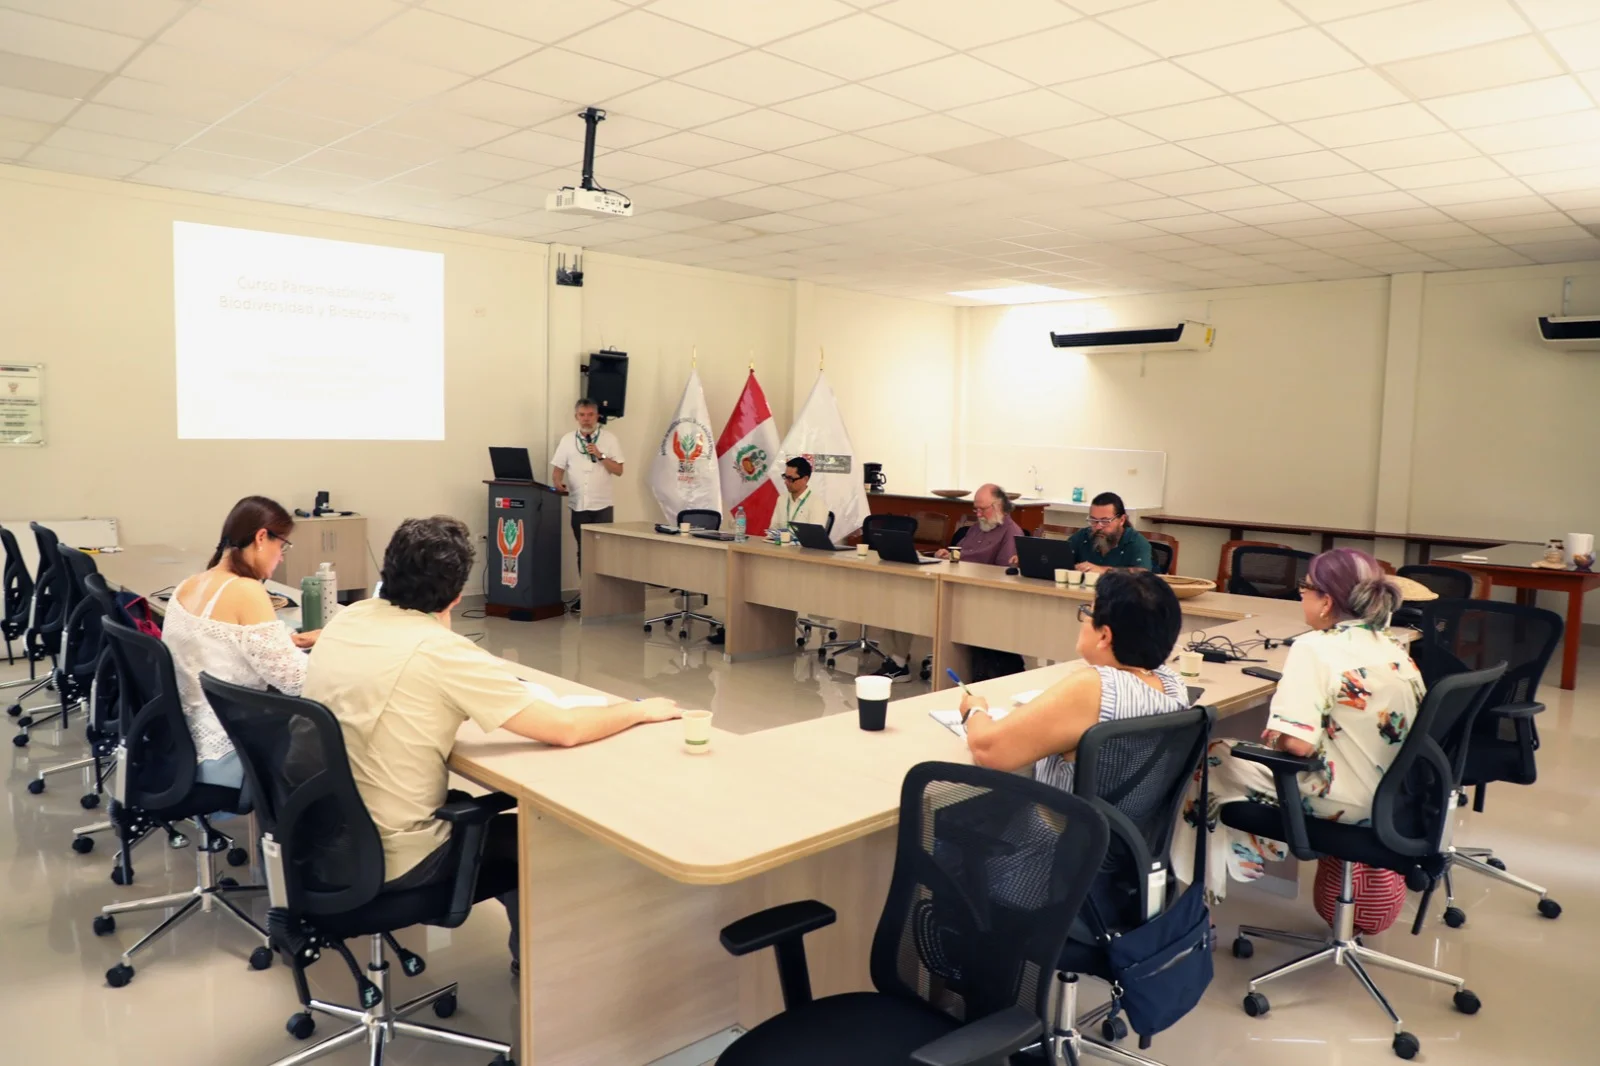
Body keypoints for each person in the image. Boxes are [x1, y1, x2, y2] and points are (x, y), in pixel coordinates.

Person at [303, 516, 681, 970]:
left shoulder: (350, 618)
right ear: (457, 594)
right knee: (542, 843)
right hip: (392, 858)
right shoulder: (439, 650)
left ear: (389, 570)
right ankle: (540, 974)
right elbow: (564, 729)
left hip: (323, 840)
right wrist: (638, 710)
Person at [1172, 548, 1421, 900]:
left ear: (1326, 601)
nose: (1300, 595)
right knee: (1233, 760)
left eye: (1305, 588)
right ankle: (1236, 865)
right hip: (1395, 797)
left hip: (1344, 801)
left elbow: (1297, 746)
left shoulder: (1315, 648)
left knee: (1213, 757)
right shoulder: (1392, 645)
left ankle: (1198, 898)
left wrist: (1277, 734)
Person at [959, 569, 1188, 790]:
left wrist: (974, 710)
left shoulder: (1095, 686)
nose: (1084, 618)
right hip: (1124, 817)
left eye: (1088, 611)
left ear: (1104, 635)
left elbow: (989, 752)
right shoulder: (1173, 684)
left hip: (1059, 817)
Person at [161, 496, 317, 787]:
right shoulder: (246, 590)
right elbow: (295, 681)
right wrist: (336, 649)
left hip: (181, 742)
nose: (281, 557)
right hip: (227, 751)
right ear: (261, 538)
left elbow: (218, 647)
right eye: (282, 546)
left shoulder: (189, 584)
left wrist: (284, 642)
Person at [550, 398, 625, 582]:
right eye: (582, 415)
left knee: (603, 551)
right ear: (576, 417)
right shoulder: (568, 440)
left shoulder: (609, 439)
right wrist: (558, 482)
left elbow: (619, 470)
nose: (586, 419)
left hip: (602, 505)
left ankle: (603, 592)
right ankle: (586, 592)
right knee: (583, 551)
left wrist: (601, 455)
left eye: (590, 415)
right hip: (578, 505)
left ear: (597, 416)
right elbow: (558, 470)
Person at [935, 483, 1022, 566]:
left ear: (999, 506)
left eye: (982, 509)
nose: (978, 514)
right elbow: (959, 553)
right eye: (976, 509)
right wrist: (946, 555)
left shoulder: (1011, 532)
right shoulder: (979, 526)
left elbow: (1004, 570)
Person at [1065, 491, 1153, 573]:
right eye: (1093, 520)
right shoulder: (1083, 536)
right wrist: (1075, 567)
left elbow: (1143, 573)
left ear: (1122, 520)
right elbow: (1061, 561)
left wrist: (1103, 570)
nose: (1098, 527)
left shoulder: (1136, 542)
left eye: (1105, 521)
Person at [779, 456, 828, 532]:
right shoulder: (782, 499)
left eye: (790, 479)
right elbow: (772, 530)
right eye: (785, 477)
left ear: (805, 479)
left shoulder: (817, 504)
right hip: (781, 540)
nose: (786, 482)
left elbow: (815, 536)